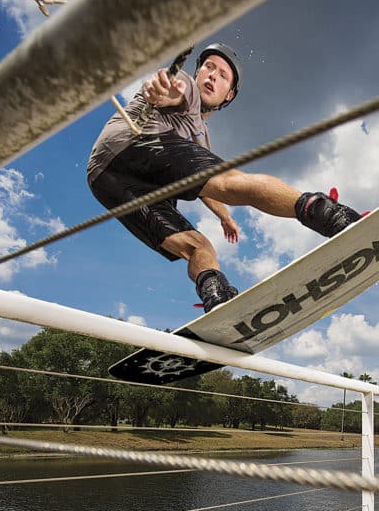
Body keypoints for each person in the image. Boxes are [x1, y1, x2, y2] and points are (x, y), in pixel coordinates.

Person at [87, 43, 362, 313]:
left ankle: (215, 296)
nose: (212, 76)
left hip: (106, 179)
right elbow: (170, 89)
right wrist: (159, 89)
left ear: (228, 96)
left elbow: (204, 187)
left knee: (198, 247)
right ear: (197, 73)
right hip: (134, 142)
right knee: (234, 180)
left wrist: (224, 217)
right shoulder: (187, 87)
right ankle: (329, 214)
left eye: (222, 75)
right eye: (208, 67)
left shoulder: (200, 139)